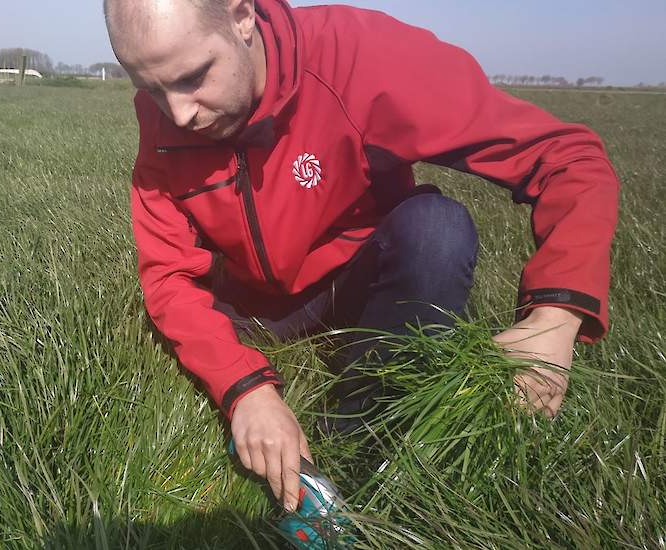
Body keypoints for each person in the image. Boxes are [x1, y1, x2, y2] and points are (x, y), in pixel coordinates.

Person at [103, 0, 620, 514]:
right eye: (150, 87)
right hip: (251, 300)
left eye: (194, 76)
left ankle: (371, 441)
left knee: (436, 230)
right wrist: (246, 390)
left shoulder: (361, 60)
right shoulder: (166, 120)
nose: (178, 114)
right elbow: (168, 273)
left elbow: (568, 159)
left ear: (242, 17)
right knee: (157, 330)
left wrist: (555, 318)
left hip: (354, 280)